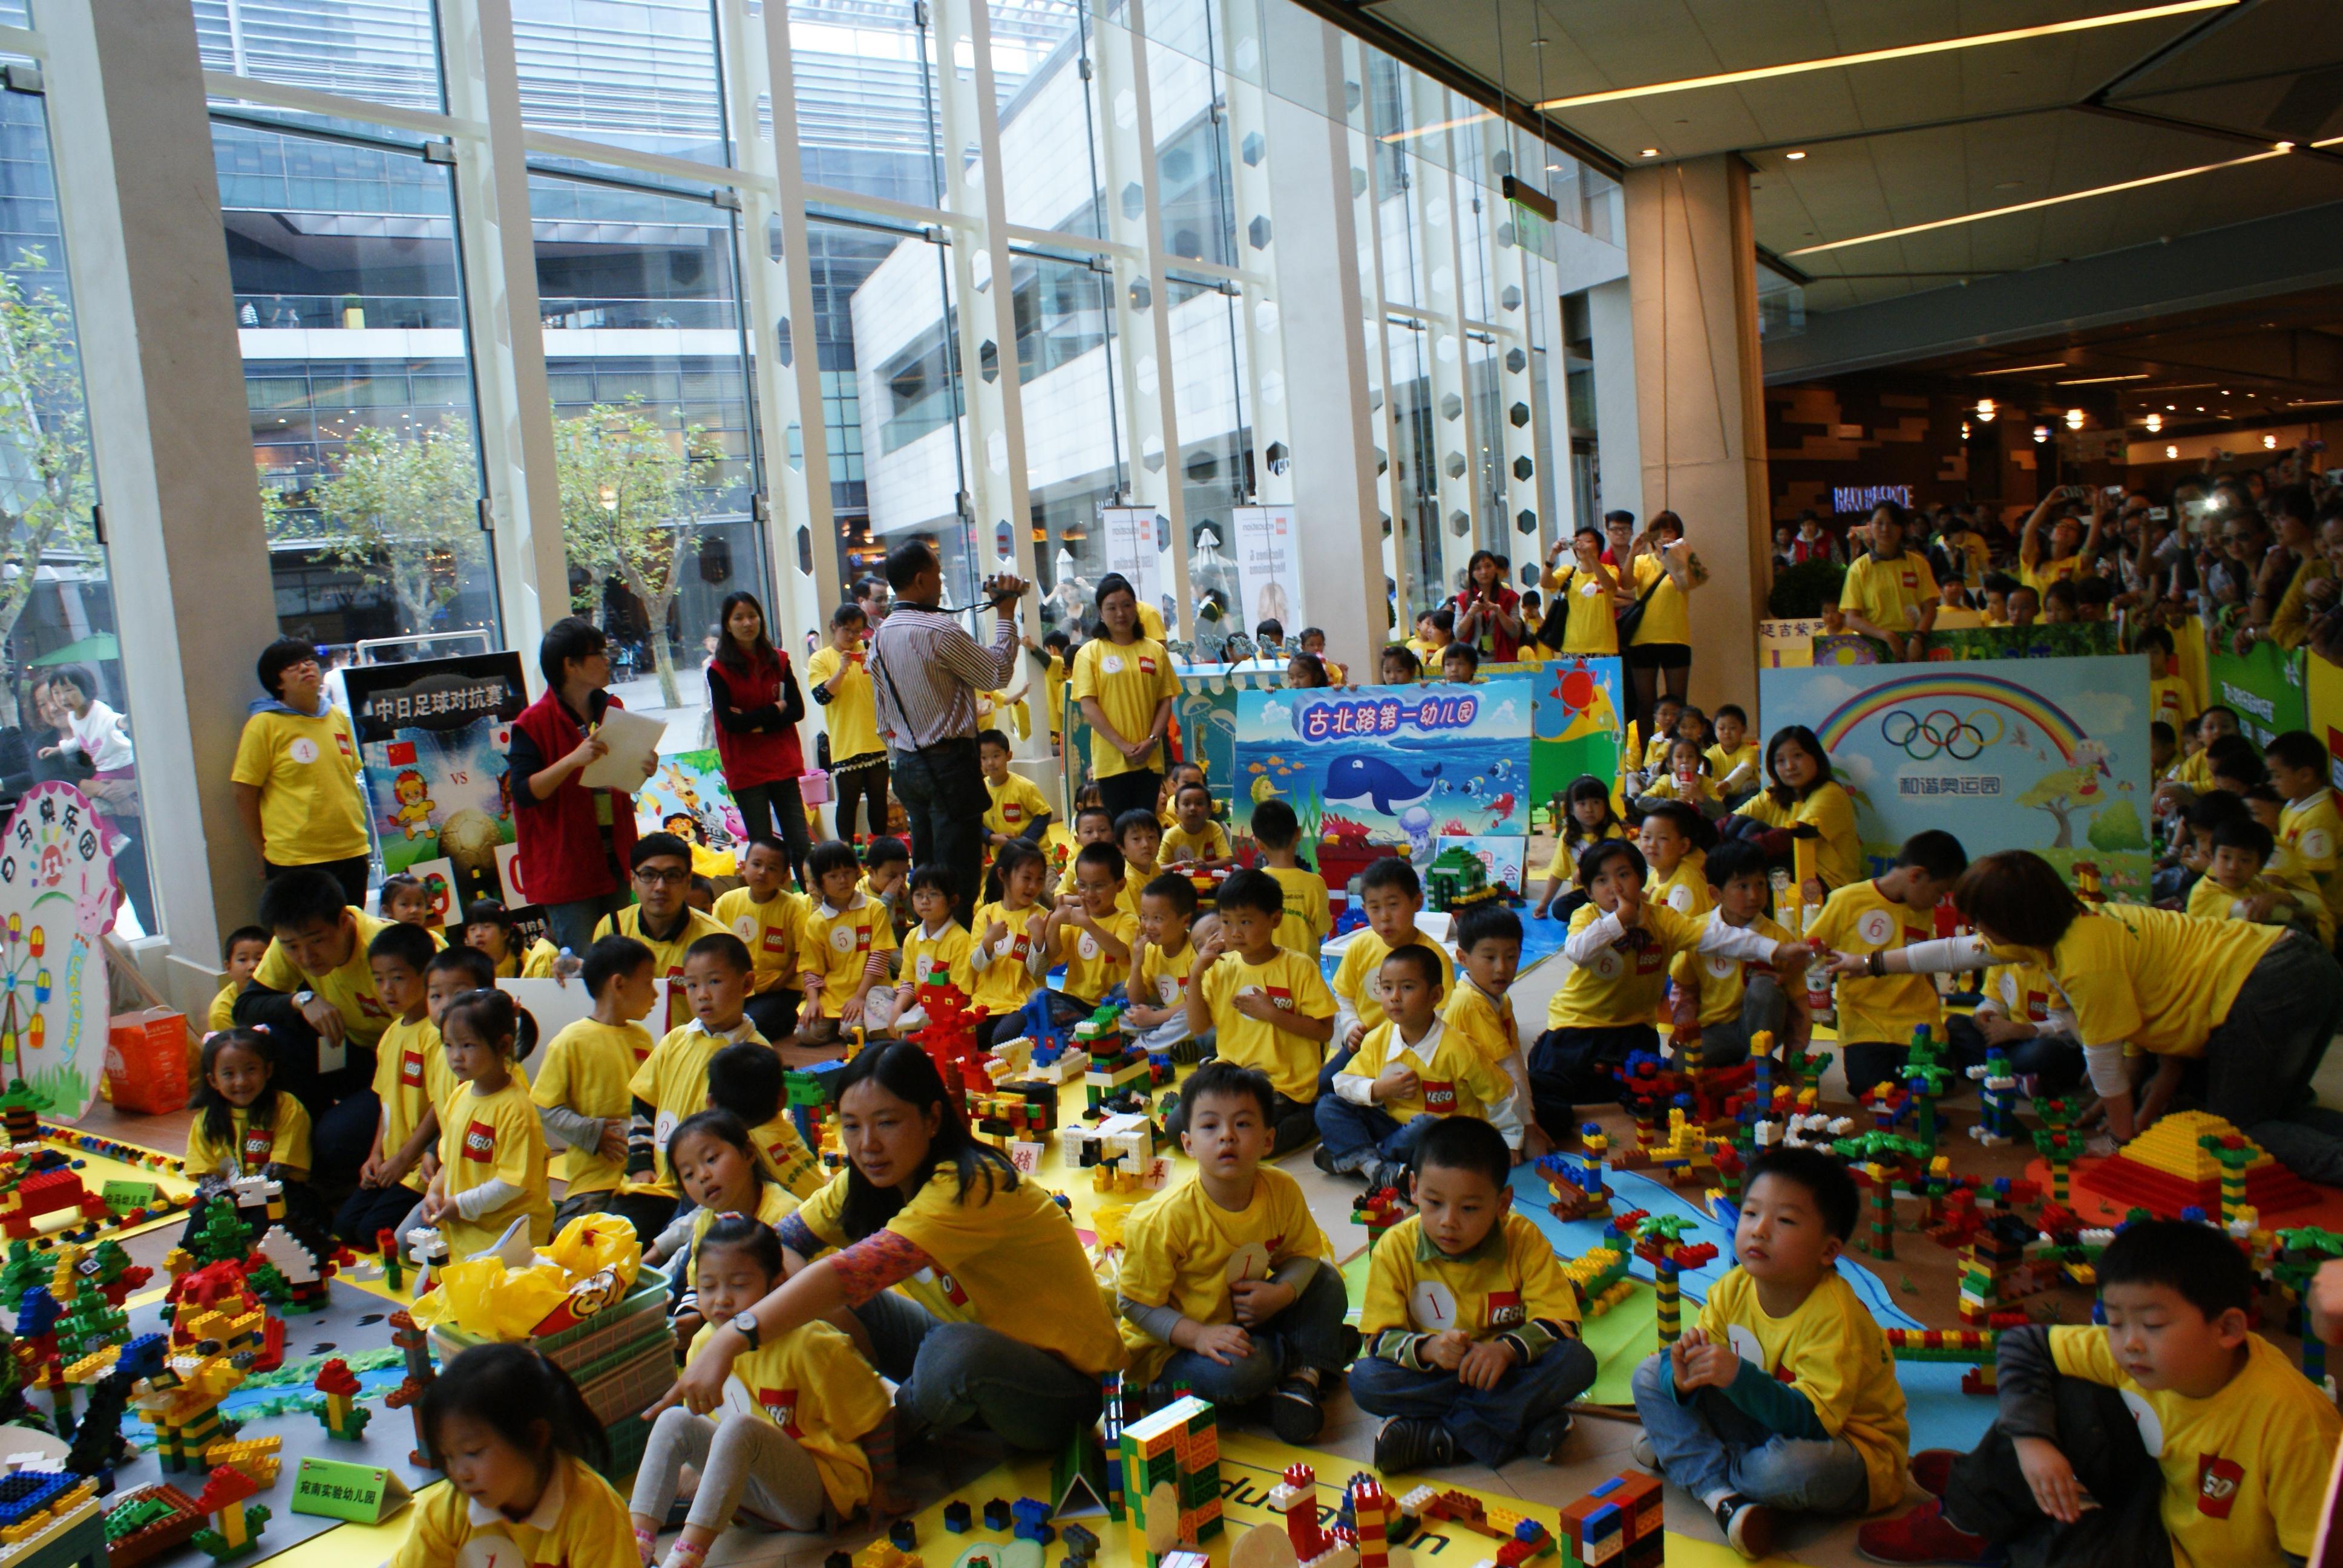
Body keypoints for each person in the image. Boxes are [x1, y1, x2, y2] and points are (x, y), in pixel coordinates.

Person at [658, 1042, 1126, 1452]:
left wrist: (733, 1336)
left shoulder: (970, 1185)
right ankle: (862, 1413)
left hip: (1066, 1391)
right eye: (852, 1126)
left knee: (952, 1351)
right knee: (823, 1295)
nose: (868, 1145)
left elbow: (849, 1273)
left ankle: (881, 1440)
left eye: (886, 1123)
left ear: (932, 1119)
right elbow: (776, 1243)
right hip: (967, 1345)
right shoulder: (864, 1183)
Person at [1859, 1220, 2339, 1568]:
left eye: (2153, 1325)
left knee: (2059, 1554)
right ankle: (1971, 1514)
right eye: (2114, 1321)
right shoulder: (2132, 1349)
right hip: (2157, 1496)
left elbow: (2316, 1554)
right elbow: (2024, 1345)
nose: (2129, 1343)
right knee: (2062, 1392)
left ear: (2228, 1328)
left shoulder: (2295, 1425)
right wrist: (2033, 1444)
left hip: (2184, 1554)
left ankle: (2000, 1508)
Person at [1855, 849, 2343, 1184]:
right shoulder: (2060, 923)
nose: (1974, 928)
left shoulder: (2085, 960)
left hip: (2268, 984)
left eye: (1980, 919)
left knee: (2240, 1128)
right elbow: (1954, 952)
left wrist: (2118, 1138)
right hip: (2294, 963)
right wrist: (1869, 963)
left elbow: (2105, 1062)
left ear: (2011, 920)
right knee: (2277, 1107)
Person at [1631, 1148, 1909, 1562]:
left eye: (1785, 1221)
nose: (1759, 1230)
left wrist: (1736, 1378)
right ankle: (1721, 1496)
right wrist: (1683, 1378)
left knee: (1788, 1470)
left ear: (1828, 1251)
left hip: (1851, 1450)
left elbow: (1815, 1423)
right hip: (1762, 1423)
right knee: (1650, 1374)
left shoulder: (1836, 1317)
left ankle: (1688, 1454)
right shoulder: (1732, 1288)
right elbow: (1695, 1364)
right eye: (1750, 1213)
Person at [631, 1215, 894, 1558]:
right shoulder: (705, 1345)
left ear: (777, 1283)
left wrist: (885, 1485)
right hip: (749, 1498)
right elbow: (703, 1429)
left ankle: (684, 1559)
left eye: (738, 1285)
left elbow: (874, 1415)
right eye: (708, 1287)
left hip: (819, 1496)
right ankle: (633, 1551)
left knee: (742, 1429)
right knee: (673, 1420)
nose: (721, 1300)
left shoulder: (812, 1344)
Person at [1351, 1115, 1594, 1472]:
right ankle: (1520, 1422)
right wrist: (1429, 1349)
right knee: (1366, 1380)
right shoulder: (1396, 1246)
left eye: (1469, 1208)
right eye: (1434, 1202)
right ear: (1414, 1188)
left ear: (1502, 1203)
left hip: (1506, 1370)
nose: (1448, 1221)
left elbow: (1564, 1324)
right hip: (1439, 1373)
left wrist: (1505, 1351)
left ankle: (1447, 1438)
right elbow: (1376, 1339)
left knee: (1576, 1362)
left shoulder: (1523, 1239)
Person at [1118, 1061, 1348, 1439]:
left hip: (1245, 1322)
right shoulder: (1162, 1219)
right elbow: (1133, 1303)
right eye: (1210, 1127)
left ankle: (1297, 1380)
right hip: (1174, 1349)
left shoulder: (1281, 1188)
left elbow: (1305, 1256)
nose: (1227, 1136)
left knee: (1327, 1282)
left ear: (1268, 1140)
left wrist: (1280, 1295)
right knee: (1245, 1371)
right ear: (1188, 1144)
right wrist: (1198, 1336)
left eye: (1242, 1124)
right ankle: (1308, 1360)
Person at [1528, 838, 1809, 1137]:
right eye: (1602, 880)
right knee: (1559, 1095)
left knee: (1652, 1097)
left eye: (1623, 875)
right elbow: (1578, 952)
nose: (1615, 887)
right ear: (1589, 892)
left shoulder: (1663, 920)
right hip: (1578, 1026)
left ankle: (1750, 1071)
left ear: (1641, 878)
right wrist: (1618, 921)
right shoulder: (1587, 916)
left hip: (1634, 1029)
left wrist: (1776, 950)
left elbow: (1721, 938)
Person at [865, 544, 1024, 922]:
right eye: (937, 574)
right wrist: (1005, 613)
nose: (940, 582)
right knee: (958, 875)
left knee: (926, 871)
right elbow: (996, 673)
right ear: (921, 580)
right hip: (949, 766)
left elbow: (883, 717)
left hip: (908, 765)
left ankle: (929, 944)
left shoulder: (881, 636)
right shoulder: (939, 629)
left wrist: (906, 749)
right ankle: (959, 947)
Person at [392, 1343, 635, 1568]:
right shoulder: (446, 1511)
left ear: (536, 1437)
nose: (459, 1474)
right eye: (448, 1457)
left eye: (473, 1452)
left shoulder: (594, 1512)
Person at [234, 869, 397, 1189]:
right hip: (360, 1056)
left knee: (335, 1141)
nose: (306, 957)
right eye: (291, 947)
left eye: (317, 941)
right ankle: (306, 1143)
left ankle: (335, 1159)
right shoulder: (291, 942)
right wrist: (302, 999)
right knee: (278, 1034)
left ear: (343, 922)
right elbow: (245, 1007)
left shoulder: (385, 948)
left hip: (407, 1068)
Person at [1319, 944, 1519, 1189]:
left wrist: (1510, 1142)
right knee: (1328, 1105)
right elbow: (1342, 1083)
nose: (1394, 997)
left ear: (1435, 996)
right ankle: (1378, 1168)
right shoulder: (1377, 1040)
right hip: (1391, 1128)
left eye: (1407, 987)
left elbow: (1499, 1095)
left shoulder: (1459, 1048)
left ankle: (1358, 1159)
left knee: (1429, 1126)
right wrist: (1378, 1089)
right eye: (1387, 988)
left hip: (1440, 1140)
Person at [511, 618, 654, 955]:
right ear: (570, 665)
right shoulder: (532, 723)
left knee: (621, 958)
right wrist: (572, 760)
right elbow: (523, 793)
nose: (608, 660)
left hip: (615, 857)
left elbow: (621, 777)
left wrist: (643, 766)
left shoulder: (612, 709)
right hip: (568, 869)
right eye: (598, 654)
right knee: (586, 965)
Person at [1179, 867, 1337, 1154]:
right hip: (1232, 1078)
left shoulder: (1298, 967)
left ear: (1275, 919)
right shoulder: (1220, 968)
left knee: (1259, 1143)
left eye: (1246, 922)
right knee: (1179, 1125)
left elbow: (1325, 1031)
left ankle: (1314, 1115)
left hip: (1283, 1086)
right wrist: (1196, 974)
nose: (1235, 932)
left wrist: (1273, 1014)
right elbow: (1199, 1027)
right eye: (1226, 922)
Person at [1800, 830, 1966, 1100]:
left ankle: (1952, 1039)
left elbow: (1924, 966)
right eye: (1938, 893)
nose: (1937, 902)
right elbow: (1811, 951)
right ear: (1916, 875)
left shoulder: (1922, 910)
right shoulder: (1846, 900)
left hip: (1916, 1021)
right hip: (1865, 1021)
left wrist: (1935, 1016)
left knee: (1935, 1085)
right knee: (1868, 1090)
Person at [534, 935, 673, 1240]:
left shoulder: (642, 1038)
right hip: (594, 1183)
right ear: (619, 984)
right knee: (578, 1245)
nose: (655, 994)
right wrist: (592, 1133)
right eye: (648, 983)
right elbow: (544, 1106)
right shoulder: (570, 1041)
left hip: (645, 1177)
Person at [626, 933, 767, 1197]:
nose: (702, 995)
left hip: (714, 1189)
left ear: (747, 983)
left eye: (714, 982)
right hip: (660, 1182)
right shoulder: (675, 1040)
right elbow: (644, 1102)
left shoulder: (755, 1054)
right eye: (691, 985)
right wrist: (640, 1164)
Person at [232, 638, 369, 903]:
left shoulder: (336, 717)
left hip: (351, 849)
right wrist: (261, 851)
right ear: (277, 682)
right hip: (296, 859)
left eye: (309, 660)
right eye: (293, 665)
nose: (306, 667)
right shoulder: (264, 724)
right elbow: (243, 792)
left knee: (352, 925)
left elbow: (348, 775)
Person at [336, 923, 447, 1250]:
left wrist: (403, 1158)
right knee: (344, 1227)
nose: (387, 990)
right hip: (391, 1163)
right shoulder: (391, 1035)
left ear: (425, 975)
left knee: (372, 1234)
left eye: (397, 978)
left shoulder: (436, 1034)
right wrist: (375, 1155)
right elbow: (385, 1103)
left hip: (417, 1169)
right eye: (379, 979)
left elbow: (438, 1108)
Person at [422, 987, 549, 1258]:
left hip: (506, 1239)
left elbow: (511, 1184)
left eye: (467, 1045)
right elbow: (449, 1161)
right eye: (448, 1045)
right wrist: (435, 1192)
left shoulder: (516, 1110)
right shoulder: (460, 1096)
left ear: (502, 1046)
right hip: (464, 1230)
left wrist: (460, 1205)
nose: (456, 1056)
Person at [704, 591, 812, 888]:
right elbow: (731, 724)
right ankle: (769, 905)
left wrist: (755, 723)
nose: (747, 623)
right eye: (738, 618)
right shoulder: (718, 670)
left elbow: (798, 710)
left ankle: (811, 903)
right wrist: (775, 710)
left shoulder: (779, 660)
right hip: (747, 769)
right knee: (763, 849)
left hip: (782, 763)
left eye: (752, 616)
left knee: (800, 843)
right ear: (727, 625)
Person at [1668, 839, 1799, 1071]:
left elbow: (1799, 1004)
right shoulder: (1699, 932)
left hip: (1761, 1029)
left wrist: (1793, 1059)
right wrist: (1684, 1028)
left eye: (1760, 884)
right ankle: (1739, 1062)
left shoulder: (1779, 938)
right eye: (1742, 886)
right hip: (1715, 1030)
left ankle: (1758, 1063)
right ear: (1715, 893)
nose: (1754, 895)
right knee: (1680, 1068)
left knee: (1765, 986)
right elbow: (1684, 989)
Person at [1326, 857, 1455, 1093]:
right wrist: (1351, 1025)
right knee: (1323, 1088)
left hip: (1414, 1048)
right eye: (1375, 908)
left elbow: (1442, 1014)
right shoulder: (1360, 946)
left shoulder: (1434, 957)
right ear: (1364, 909)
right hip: (1364, 1046)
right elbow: (1344, 995)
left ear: (1417, 902)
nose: (1384, 916)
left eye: (1393, 905)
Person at [1072, 573, 1181, 822]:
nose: (1120, 613)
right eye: (1112, 608)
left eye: (1127, 605)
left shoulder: (1155, 651)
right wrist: (1123, 745)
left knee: (1146, 825)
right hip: (1111, 760)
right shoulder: (1089, 653)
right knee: (1119, 827)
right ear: (1101, 613)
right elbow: (1089, 706)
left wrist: (1152, 740)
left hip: (1150, 758)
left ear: (1136, 608)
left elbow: (1165, 700)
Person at [1726, 726, 1865, 896]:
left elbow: (1791, 836)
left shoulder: (1831, 792)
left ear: (1815, 757)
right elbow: (1732, 820)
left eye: (1798, 756)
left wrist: (1732, 856)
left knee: (1755, 835)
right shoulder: (1774, 793)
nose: (1790, 766)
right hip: (1790, 874)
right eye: (1780, 761)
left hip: (1827, 884)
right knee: (1740, 825)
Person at [185, 1027, 313, 1191]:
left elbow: (281, 1165)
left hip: (278, 1189)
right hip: (230, 1195)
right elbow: (204, 1171)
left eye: (251, 1070)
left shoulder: (287, 1107)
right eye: (229, 1074)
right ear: (213, 1081)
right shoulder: (206, 1118)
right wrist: (223, 1197)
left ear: (267, 1070)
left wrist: (248, 1193)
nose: (241, 1082)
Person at [807, 604, 890, 843]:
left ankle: (879, 850)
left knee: (879, 801)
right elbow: (822, 696)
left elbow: (888, 686)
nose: (852, 636)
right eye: (847, 630)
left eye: (857, 631)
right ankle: (846, 852)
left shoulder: (869, 650)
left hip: (875, 739)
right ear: (834, 626)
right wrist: (842, 671)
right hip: (846, 744)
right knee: (848, 803)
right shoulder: (821, 658)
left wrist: (875, 663)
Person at [2186, 817, 2332, 944]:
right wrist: (2297, 912)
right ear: (2212, 858)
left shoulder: (2256, 885)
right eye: (2226, 857)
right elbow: (2250, 911)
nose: (2233, 867)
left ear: (2260, 867)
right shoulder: (2203, 894)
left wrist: (2276, 897)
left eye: (2245, 860)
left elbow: (2316, 903)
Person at [1622, 511, 1704, 731]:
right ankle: (1647, 750)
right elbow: (1626, 583)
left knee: (1678, 703)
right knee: (1645, 704)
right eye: (1657, 532)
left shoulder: (1684, 558)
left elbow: (1694, 581)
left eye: (1668, 531)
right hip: (1643, 639)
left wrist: (1674, 554)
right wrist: (1633, 551)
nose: (1663, 536)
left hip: (1676, 637)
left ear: (1677, 534)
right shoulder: (1642, 561)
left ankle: (1679, 748)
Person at [1838, 501, 1939, 662]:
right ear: (1870, 527)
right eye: (1879, 523)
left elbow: (1930, 609)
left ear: (1902, 528)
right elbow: (1851, 619)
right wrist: (1886, 635)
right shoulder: (1859, 569)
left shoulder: (1919, 564)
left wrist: (1918, 637)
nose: (1885, 529)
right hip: (1874, 649)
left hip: (1915, 648)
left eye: (1892, 524)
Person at [1044, 841, 1136, 1008]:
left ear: (1120, 885)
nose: (1090, 894)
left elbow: (1120, 951)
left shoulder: (1127, 920)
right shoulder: (1074, 919)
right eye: (1082, 886)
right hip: (1077, 1000)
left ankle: (1080, 1023)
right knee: (1039, 997)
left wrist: (1088, 924)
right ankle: (1076, 1021)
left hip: (1111, 1001)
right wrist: (1054, 922)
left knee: (1126, 990)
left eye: (1099, 886)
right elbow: (1053, 955)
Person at [1533, 775, 1628, 924]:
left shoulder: (1612, 830)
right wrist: (1544, 904)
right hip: (1587, 894)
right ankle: (1600, 914)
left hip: (1613, 890)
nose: (1589, 809)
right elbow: (1558, 874)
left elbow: (1613, 856)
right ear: (1571, 809)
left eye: (1596, 802)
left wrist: (1585, 867)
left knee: (1626, 901)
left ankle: (1605, 914)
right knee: (1559, 908)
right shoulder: (1568, 836)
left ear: (1605, 806)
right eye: (1582, 804)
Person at [1128, 872, 1202, 1058]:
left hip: (1190, 1018)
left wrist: (1154, 1018)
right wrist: (1136, 964)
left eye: (1158, 919)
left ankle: (1142, 1046)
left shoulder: (1197, 951)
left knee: (1189, 1019)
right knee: (1123, 1012)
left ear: (1185, 921)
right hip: (1165, 1017)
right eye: (1144, 916)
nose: (1148, 925)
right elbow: (1136, 999)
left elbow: (1200, 1005)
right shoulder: (1151, 950)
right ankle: (1170, 1046)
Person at [1251, 800, 1330, 960]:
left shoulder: (1252, 884)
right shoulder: (1315, 883)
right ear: (1298, 833)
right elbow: (1321, 931)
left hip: (1265, 970)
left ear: (1258, 843)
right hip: (1305, 970)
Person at [1541, 527, 1627, 658]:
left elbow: (1609, 585)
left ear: (1598, 547)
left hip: (1604, 646)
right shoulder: (1568, 571)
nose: (1582, 545)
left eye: (1588, 541)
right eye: (1578, 541)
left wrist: (1591, 557)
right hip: (1572, 646)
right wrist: (1552, 554)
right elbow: (1545, 583)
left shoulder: (1610, 570)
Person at [1452, 549, 1524, 663]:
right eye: (1478, 568)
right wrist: (1471, 612)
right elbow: (1458, 634)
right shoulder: (1463, 599)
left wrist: (1499, 611)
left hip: (1503, 661)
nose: (1484, 572)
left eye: (1488, 566)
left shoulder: (1510, 597)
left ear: (1496, 569)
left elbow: (1515, 633)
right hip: (1471, 663)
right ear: (1472, 573)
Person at [209, 926, 270, 1034]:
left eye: (260, 959)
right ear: (229, 967)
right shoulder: (222, 1012)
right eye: (243, 960)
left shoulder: (287, 988)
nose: (253, 966)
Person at [1160, 780, 1233, 871]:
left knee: (1237, 868)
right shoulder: (1171, 835)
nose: (1193, 808)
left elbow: (1227, 860)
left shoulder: (1214, 828)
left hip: (1210, 877)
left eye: (1199, 804)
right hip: (1180, 878)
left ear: (1209, 811)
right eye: (1186, 804)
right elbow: (1160, 867)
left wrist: (1207, 865)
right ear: (1177, 811)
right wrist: (1176, 866)